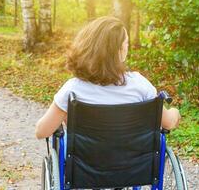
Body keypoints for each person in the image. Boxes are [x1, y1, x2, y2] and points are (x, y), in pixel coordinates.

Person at [35, 16, 181, 139]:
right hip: (135, 169)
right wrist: (175, 112)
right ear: (119, 50)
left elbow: (41, 132)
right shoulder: (140, 85)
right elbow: (168, 123)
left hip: (85, 169)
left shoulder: (73, 90)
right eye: (126, 44)